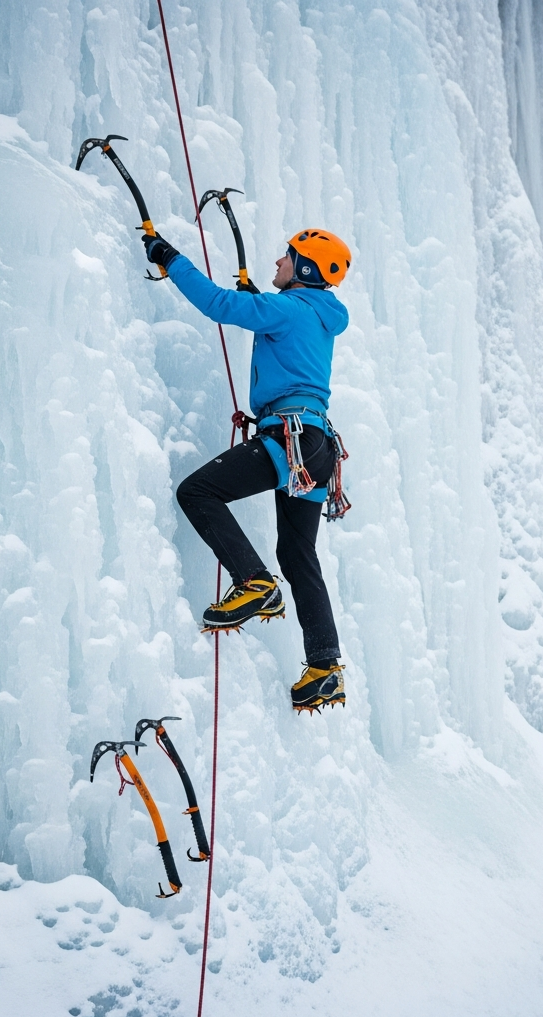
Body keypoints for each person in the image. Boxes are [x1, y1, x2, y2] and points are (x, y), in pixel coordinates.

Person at [141, 227, 352, 713]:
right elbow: (283, 340)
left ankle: (254, 582)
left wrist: (170, 259)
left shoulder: (291, 309)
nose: (278, 261)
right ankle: (325, 667)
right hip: (318, 448)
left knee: (197, 492)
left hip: (290, 439)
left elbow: (218, 304)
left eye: (288, 256)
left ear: (304, 269)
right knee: (298, 555)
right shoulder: (317, 316)